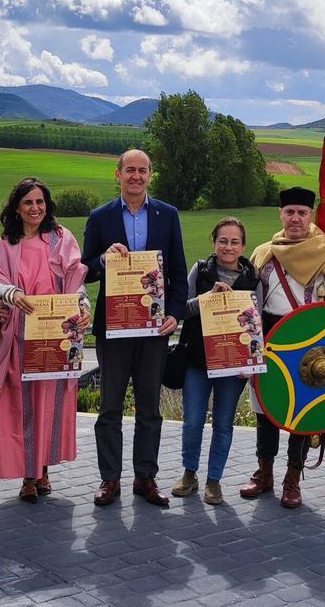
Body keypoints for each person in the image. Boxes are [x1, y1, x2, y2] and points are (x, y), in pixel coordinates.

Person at [82, 149, 186, 507]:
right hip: (112, 329)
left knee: (149, 409)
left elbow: (177, 272)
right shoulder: (100, 217)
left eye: (142, 171)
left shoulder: (168, 215)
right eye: (130, 170)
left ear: (150, 176)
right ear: (118, 175)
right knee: (109, 408)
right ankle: (109, 480)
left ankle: (146, 478)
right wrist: (102, 260)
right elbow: (86, 269)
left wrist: (175, 314)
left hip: (154, 329)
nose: (136, 176)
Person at [241, 187, 325, 508]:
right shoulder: (264, 254)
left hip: (312, 346)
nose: (295, 219)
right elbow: (249, 302)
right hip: (271, 342)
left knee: (302, 414)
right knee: (266, 410)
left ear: (311, 216)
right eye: (289, 212)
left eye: (301, 213)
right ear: (280, 213)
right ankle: (264, 472)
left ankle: (293, 478)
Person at [0, 178, 90, 503]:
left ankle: (43, 470)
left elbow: (76, 280)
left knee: (50, 406)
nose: (35, 208)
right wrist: (10, 292)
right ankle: (28, 477)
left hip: (56, 338)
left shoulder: (61, 239)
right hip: (19, 339)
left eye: (40, 202)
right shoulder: (3, 247)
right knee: (22, 408)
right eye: (28, 202)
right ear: (17, 207)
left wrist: (83, 304)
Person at [170, 218, 261, 506]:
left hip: (233, 366)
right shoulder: (200, 270)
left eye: (235, 242)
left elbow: (258, 325)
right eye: (223, 240)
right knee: (193, 421)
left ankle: (214, 480)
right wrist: (206, 299)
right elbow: (180, 310)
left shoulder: (254, 278)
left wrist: (252, 361)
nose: (228, 247)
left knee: (223, 423)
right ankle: (189, 473)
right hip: (198, 361)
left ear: (243, 246)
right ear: (214, 242)